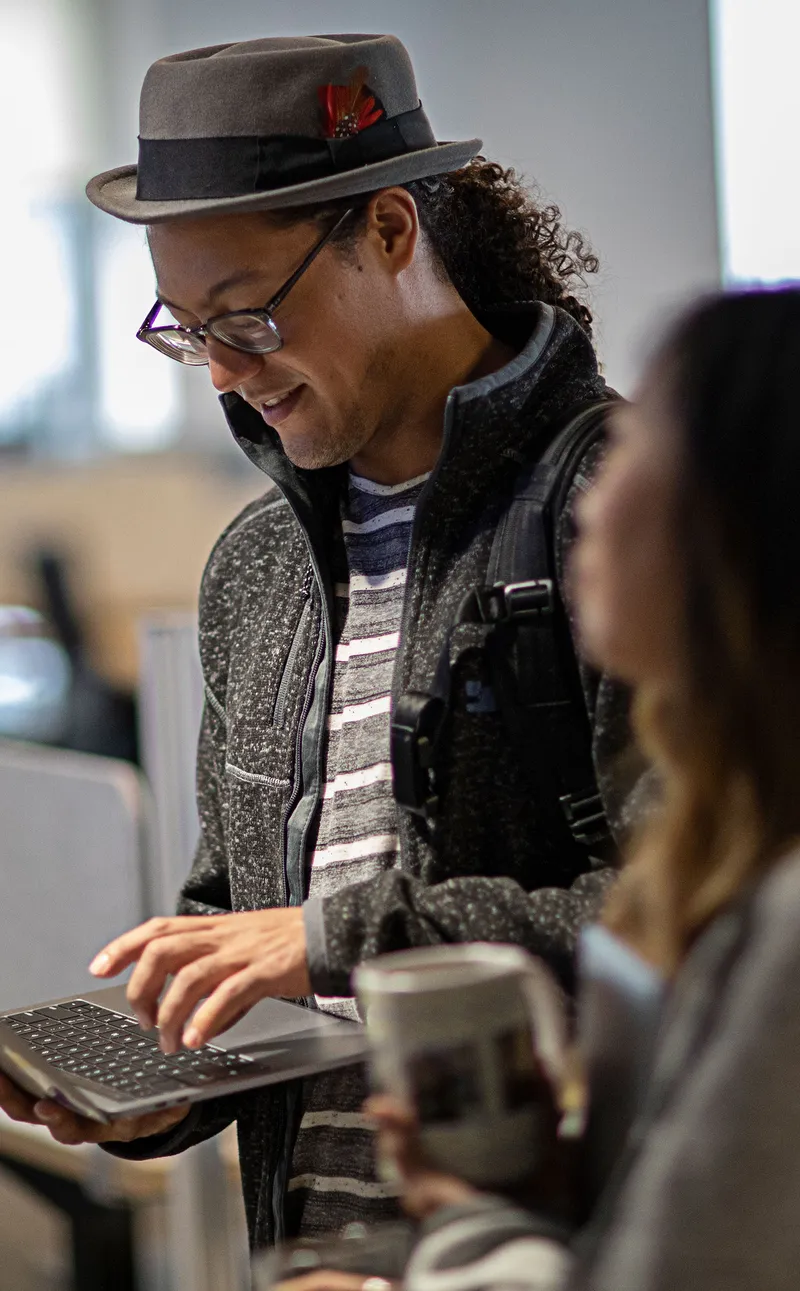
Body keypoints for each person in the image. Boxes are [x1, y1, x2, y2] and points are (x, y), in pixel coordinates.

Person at [0, 34, 640, 1247]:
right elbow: (237, 936)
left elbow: (706, 922)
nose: (225, 382)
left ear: (391, 231)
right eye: (186, 332)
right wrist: (162, 1084)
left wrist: (329, 940)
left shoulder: (627, 511)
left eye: (245, 319)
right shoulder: (256, 572)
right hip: (315, 1259)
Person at [328, 286, 800, 1291]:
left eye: (639, 448)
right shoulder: (724, 856)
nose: (594, 488)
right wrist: (559, 1178)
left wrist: (466, 1233)